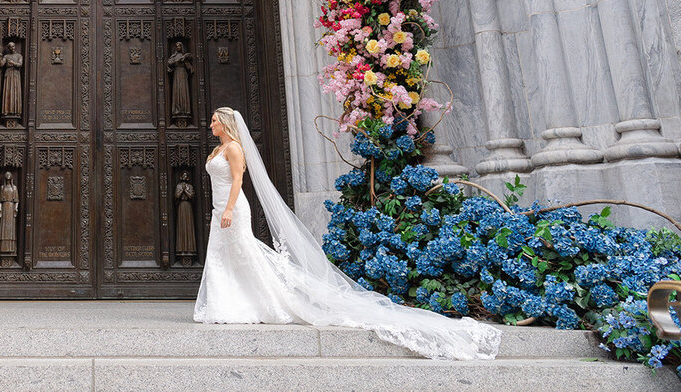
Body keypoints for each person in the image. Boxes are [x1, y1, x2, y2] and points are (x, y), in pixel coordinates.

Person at [194, 106, 500, 361]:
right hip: (219, 208)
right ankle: (231, 301)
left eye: (214, 121)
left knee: (245, 253)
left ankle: (267, 300)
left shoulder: (233, 147)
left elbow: (237, 180)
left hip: (232, 208)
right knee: (225, 255)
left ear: (226, 124)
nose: (210, 125)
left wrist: (230, 208)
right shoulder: (219, 148)